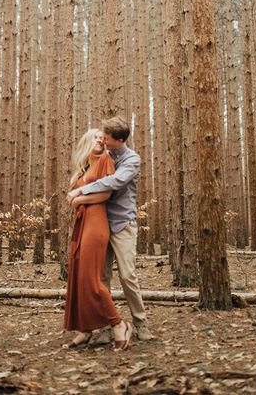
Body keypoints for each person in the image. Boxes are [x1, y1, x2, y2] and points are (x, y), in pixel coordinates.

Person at [67, 116, 154, 343]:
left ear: (119, 140)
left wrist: (80, 193)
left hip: (122, 223)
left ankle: (140, 323)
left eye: (106, 137)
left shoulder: (131, 159)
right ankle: (104, 325)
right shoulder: (104, 155)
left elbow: (114, 182)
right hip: (100, 223)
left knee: (127, 275)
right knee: (102, 276)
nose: (102, 139)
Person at [63, 128, 132, 350]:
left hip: (96, 222)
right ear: (86, 141)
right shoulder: (84, 167)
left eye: (103, 139)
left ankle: (119, 324)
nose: (101, 141)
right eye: (96, 138)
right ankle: (85, 330)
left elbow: (106, 194)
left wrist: (80, 199)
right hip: (83, 224)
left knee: (92, 279)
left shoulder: (105, 160)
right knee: (79, 277)